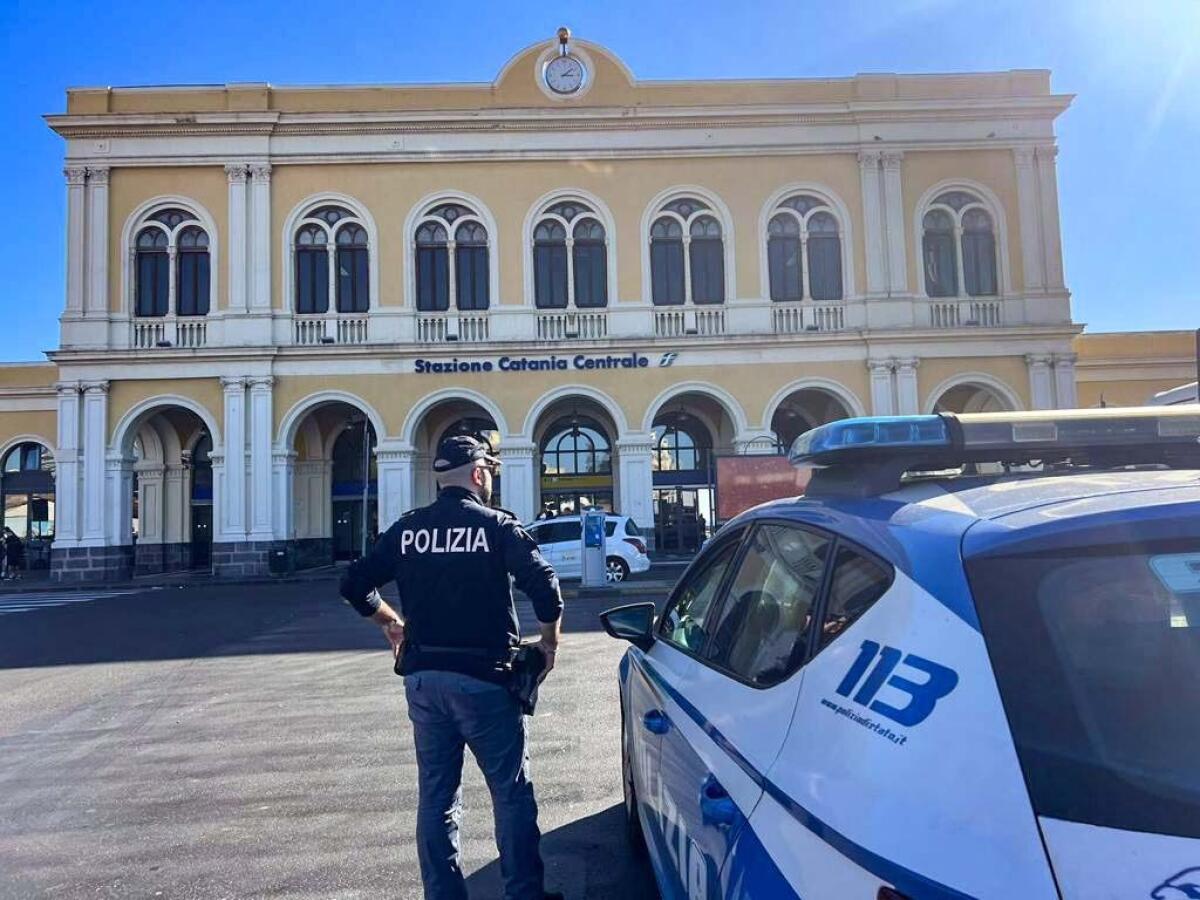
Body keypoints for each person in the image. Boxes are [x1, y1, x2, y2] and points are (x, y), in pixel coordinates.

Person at [340, 435, 564, 900]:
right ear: (478, 475)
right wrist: (548, 643)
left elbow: (354, 583)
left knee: (437, 798)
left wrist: (391, 624)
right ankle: (524, 894)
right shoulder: (496, 527)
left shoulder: (408, 529)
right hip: (486, 681)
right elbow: (545, 587)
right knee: (510, 794)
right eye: (490, 472)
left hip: (425, 681)